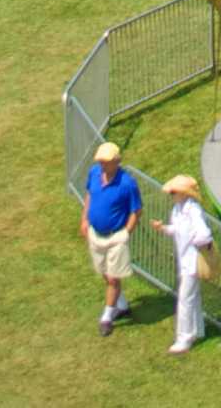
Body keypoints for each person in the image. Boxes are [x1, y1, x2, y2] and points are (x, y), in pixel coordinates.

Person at [83, 140, 141, 334]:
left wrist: (126, 233)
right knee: (105, 273)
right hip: (96, 234)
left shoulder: (127, 183)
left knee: (113, 279)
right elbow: (90, 195)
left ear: (117, 161)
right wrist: (84, 219)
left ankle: (107, 317)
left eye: (106, 162)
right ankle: (122, 305)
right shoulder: (94, 173)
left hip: (116, 236)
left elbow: (136, 210)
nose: (102, 165)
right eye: (100, 161)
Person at [156, 174, 214, 354]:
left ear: (184, 193)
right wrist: (164, 228)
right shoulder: (177, 209)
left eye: (174, 192)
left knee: (184, 299)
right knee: (192, 297)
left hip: (192, 261)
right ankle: (198, 330)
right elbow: (178, 229)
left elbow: (204, 234)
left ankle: (184, 338)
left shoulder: (193, 210)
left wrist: (195, 245)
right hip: (184, 260)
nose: (171, 195)